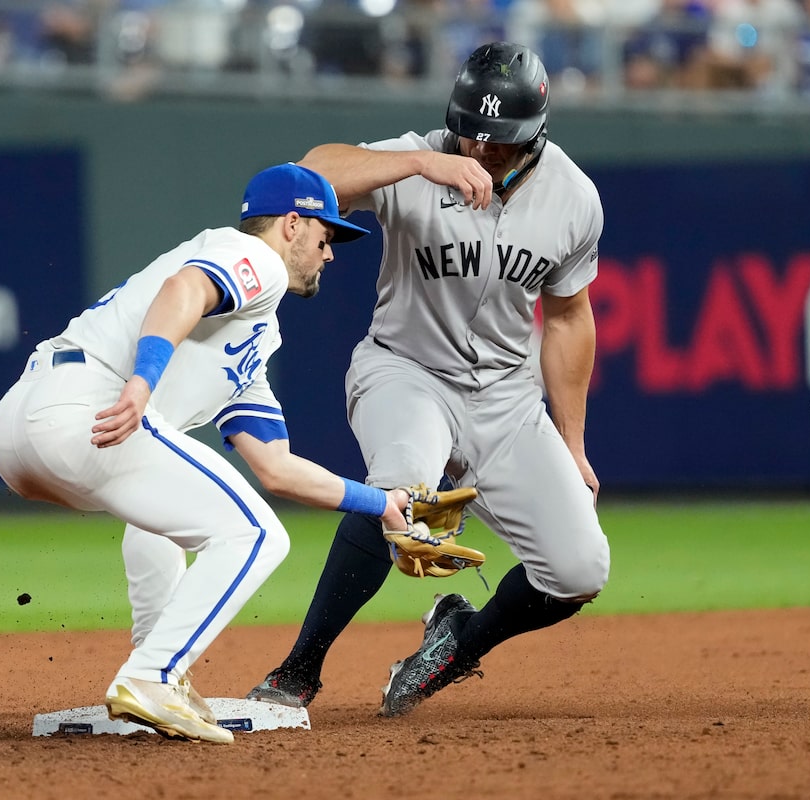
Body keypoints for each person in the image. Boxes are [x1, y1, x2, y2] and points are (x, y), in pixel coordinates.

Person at [0, 163, 412, 743]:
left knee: (162, 519)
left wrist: (381, 503)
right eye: (324, 236)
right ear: (290, 224)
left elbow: (276, 469)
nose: (329, 254)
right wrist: (143, 381)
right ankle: (151, 676)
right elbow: (184, 290)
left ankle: (159, 675)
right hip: (87, 406)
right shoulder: (252, 257)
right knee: (258, 536)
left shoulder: (256, 337)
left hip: (28, 436)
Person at [246, 41, 611, 717]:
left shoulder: (573, 198)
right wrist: (420, 162)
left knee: (580, 570)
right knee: (401, 491)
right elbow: (307, 175)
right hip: (405, 372)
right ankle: (299, 668)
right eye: (471, 132)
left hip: (506, 398)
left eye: (501, 140)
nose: (482, 149)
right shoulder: (419, 159)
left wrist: (574, 443)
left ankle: (455, 645)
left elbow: (568, 319)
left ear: (537, 132)